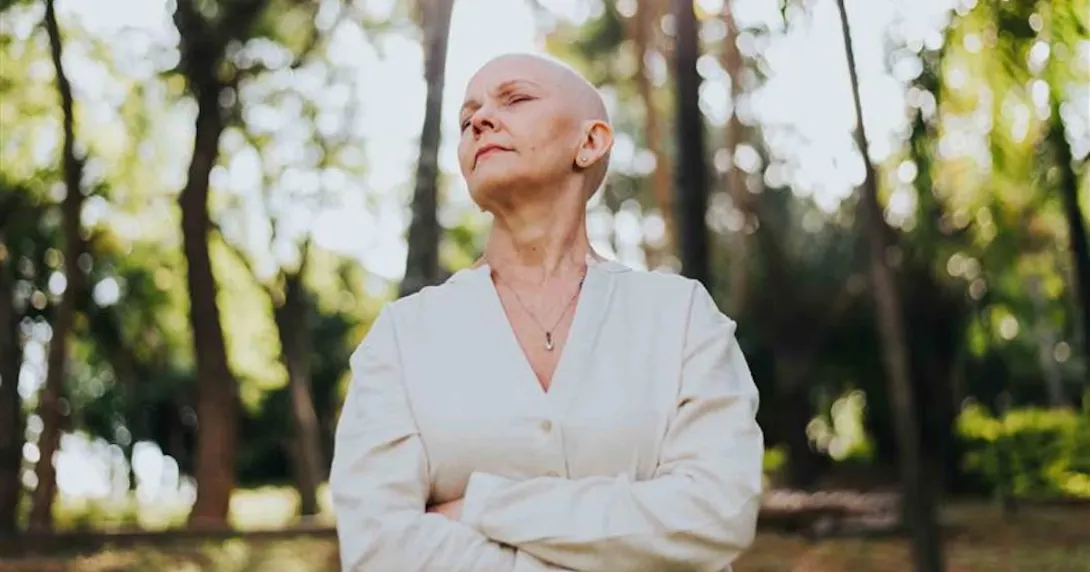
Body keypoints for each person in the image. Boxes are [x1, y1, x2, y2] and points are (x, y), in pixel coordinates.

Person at [329, 52, 764, 572]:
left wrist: (481, 507)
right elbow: (379, 549)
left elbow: (716, 515)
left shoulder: (683, 316)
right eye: (467, 119)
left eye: (515, 99)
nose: (481, 120)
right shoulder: (401, 337)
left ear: (591, 141)